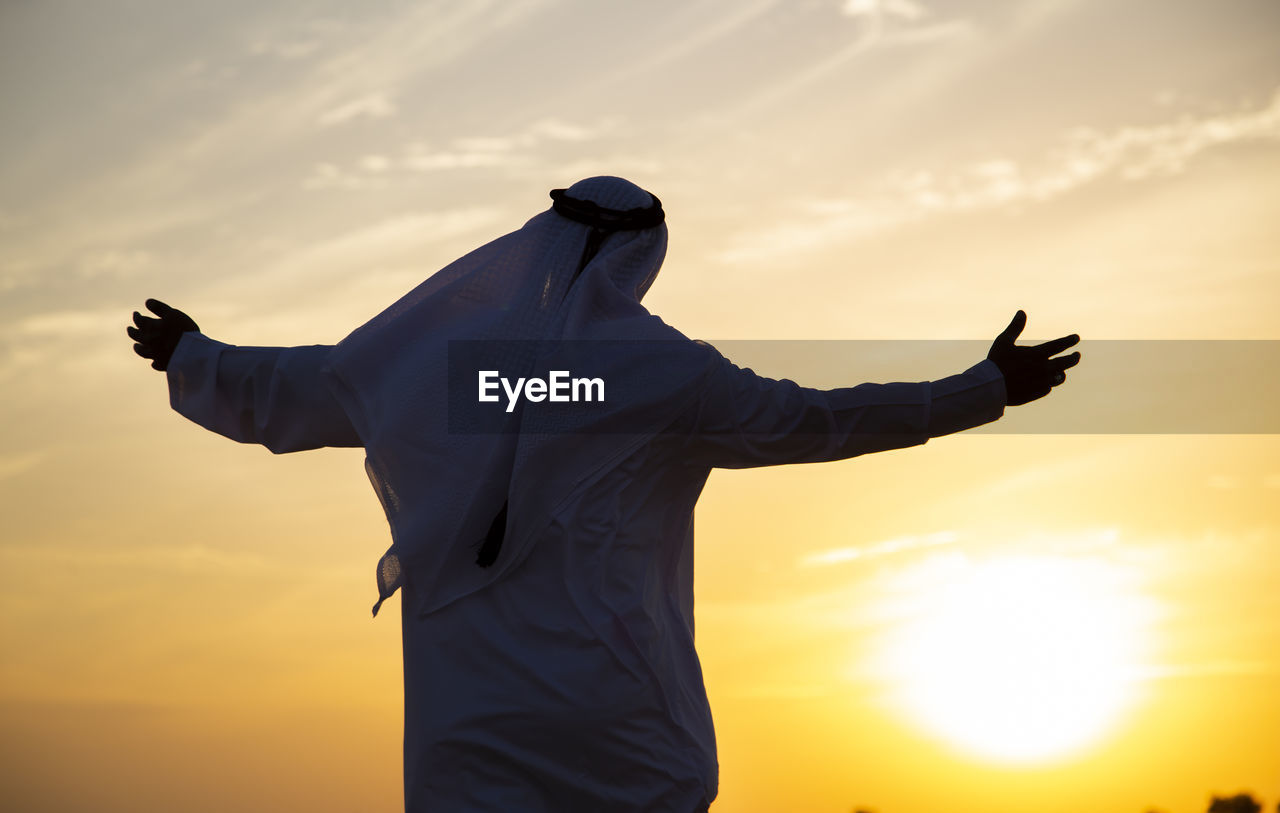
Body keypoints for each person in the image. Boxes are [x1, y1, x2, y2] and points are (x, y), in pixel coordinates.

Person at [128, 175, 1079, 812]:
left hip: (469, 736)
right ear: (641, 258)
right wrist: (983, 387)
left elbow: (303, 383)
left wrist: (195, 354)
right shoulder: (665, 376)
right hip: (621, 733)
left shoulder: (443, 371)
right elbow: (825, 421)